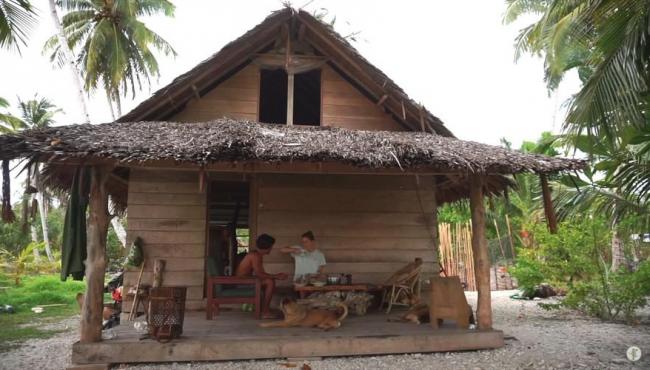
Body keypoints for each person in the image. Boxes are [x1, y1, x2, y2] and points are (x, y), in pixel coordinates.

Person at [235, 233, 287, 318]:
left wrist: (275, 276)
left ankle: (264, 309)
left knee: (269, 280)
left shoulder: (257, 254)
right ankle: (265, 311)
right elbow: (260, 274)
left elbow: (260, 274)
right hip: (240, 283)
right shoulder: (255, 255)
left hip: (247, 280)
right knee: (270, 282)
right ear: (267, 246)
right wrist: (276, 276)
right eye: (271, 246)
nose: (271, 248)